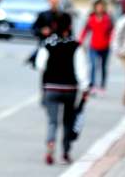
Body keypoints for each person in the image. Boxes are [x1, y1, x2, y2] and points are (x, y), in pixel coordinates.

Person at [36, 13, 89, 165]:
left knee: (52, 121)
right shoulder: (75, 45)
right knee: (68, 121)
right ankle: (65, 152)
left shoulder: (48, 44)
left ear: (54, 26)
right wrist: (85, 88)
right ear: (70, 26)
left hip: (51, 88)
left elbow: (40, 65)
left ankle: (50, 145)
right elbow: (81, 69)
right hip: (70, 89)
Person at [78, 0, 114, 95]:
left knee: (103, 67)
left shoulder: (108, 18)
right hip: (93, 46)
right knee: (93, 66)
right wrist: (80, 41)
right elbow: (85, 30)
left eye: (101, 6)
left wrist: (110, 41)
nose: (100, 8)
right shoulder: (91, 18)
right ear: (95, 8)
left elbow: (112, 32)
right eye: (98, 6)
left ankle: (102, 86)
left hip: (105, 47)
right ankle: (92, 85)